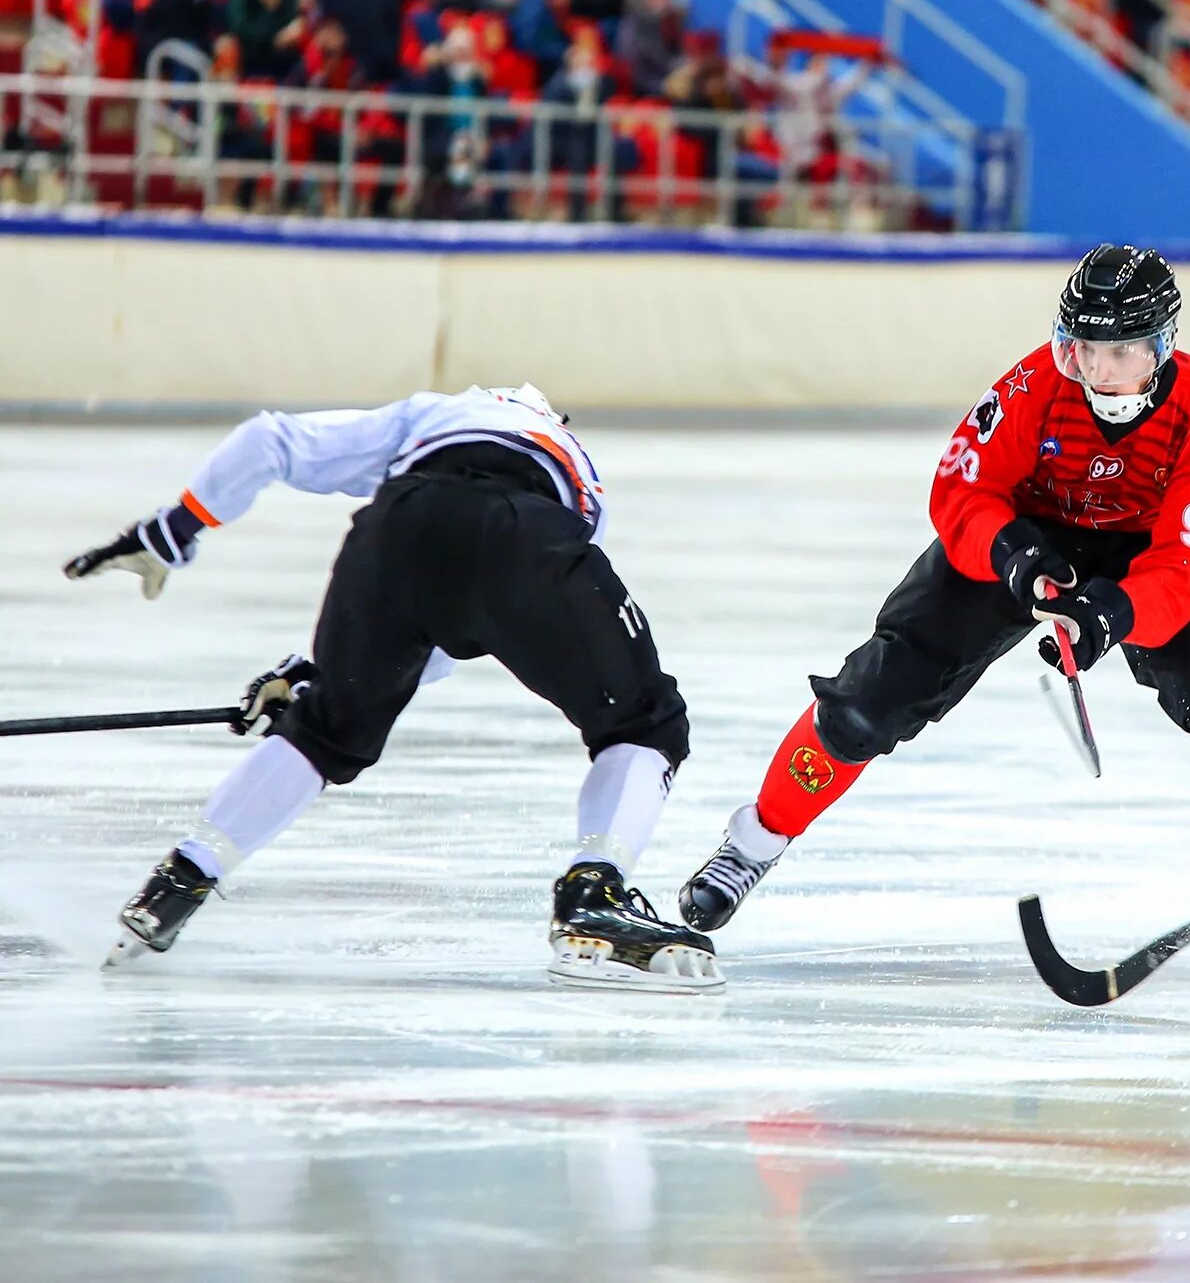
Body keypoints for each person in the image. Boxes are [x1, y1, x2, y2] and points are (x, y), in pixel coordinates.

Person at [674, 245, 1190, 980]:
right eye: (1085, 348)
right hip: (1025, 541)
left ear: (1162, 345)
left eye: (1120, 352)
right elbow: (961, 490)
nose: (1098, 370)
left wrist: (1110, 615)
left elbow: (1187, 560)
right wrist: (1014, 554)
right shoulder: (1033, 382)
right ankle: (754, 842)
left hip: (1141, 559)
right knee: (869, 702)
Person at [64, 384, 718, 993]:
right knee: (643, 725)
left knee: (322, 735)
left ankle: (178, 881)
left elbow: (269, 442)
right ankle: (592, 893)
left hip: (399, 522)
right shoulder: (582, 475)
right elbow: (483, 598)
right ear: (556, 423)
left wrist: (173, 536)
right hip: (531, 531)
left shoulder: (431, 413)